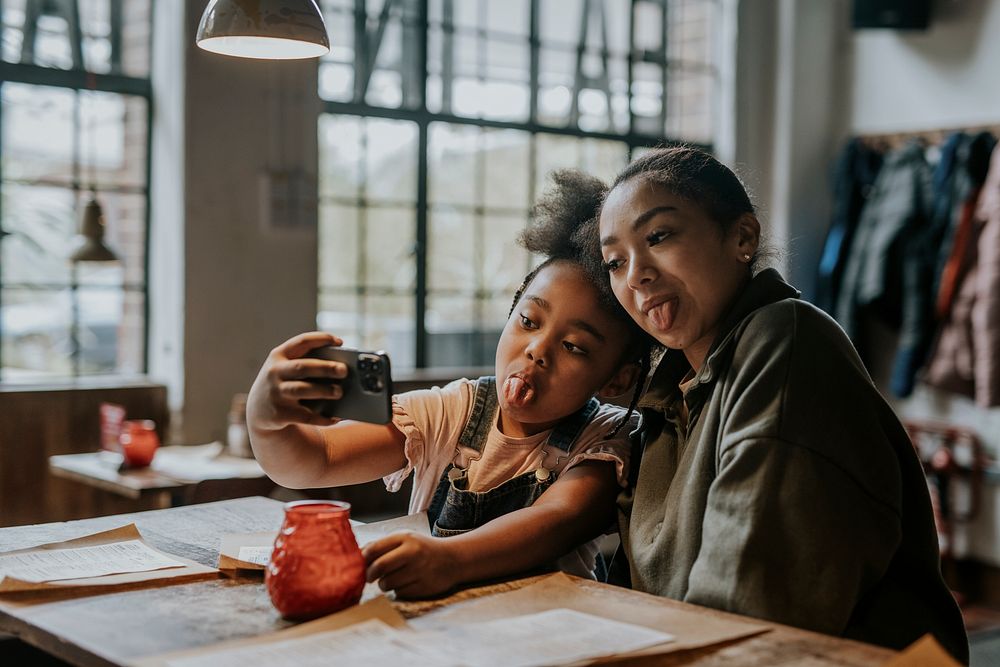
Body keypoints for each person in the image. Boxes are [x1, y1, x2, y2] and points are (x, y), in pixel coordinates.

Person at [584, 146, 969, 662]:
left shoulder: (785, 338)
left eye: (658, 237)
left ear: (743, 237)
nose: (636, 275)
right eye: (615, 261)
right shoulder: (666, 393)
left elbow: (750, 608)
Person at [246, 171, 649, 599]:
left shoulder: (609, 436)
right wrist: (266, 421)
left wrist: (450, 559)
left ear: (616, 378)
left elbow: (560, 517)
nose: (537, 350)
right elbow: (316, 459)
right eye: (528, 322)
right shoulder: (454, 410)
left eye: (574, 346)